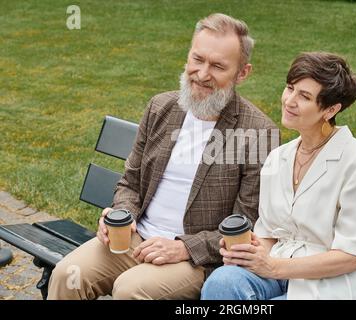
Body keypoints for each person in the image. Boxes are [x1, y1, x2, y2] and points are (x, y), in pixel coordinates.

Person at [47, 13, 279, 300]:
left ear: (242, 73)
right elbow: (130, 182)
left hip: (194, 259)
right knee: (67, 275)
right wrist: (122, 214)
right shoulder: (161, 107)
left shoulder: (258, 131)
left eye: (218, 66)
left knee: (130, 290)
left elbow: (246, 222)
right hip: (134, 238)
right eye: (198, 59)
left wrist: (184, 247)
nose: (203, 74)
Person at [201, 52, 356, 300]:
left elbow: (350, 257)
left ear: (331, 109)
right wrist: (247, 252)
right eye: (290, 88)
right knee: (221, 282)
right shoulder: (278, 158)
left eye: (305, 96)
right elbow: (267, 234)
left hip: (329, 286)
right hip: (276, 272)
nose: (289, 101)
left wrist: (273, 267)